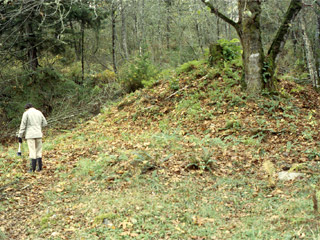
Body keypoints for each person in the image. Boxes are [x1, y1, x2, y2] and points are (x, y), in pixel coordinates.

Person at [18, 103, 47, 172]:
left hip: (30, 135)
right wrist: (38, 127)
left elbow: (23, 126)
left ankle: (32, 168)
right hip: (39, 134)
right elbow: (45, 123)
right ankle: (40, 167)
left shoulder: (26, 113)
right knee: (38, 150)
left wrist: (20, 135)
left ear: (26, 108)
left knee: (32, 151)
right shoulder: (39, 112)